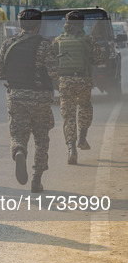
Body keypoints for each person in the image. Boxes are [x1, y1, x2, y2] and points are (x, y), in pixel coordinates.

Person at [0, 9, 58, 193]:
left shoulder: (8, 44)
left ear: (20, 25)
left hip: (16, 97)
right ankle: (37, 180)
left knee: (18, 135)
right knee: (41, 139)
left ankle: (19, 151)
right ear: (38, 25)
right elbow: (54, 73)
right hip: (40, 99)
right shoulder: (45, 45)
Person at [52, 11, 104, 164]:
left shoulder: (58, 40)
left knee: (68, 116)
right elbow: (99, 59)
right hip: (83, 79)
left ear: (66, 24)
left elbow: (51, 61)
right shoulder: (88, 40)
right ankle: (82, 137)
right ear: (82, 24)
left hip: (65, 81)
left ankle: (71, 149)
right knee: (85, 106)